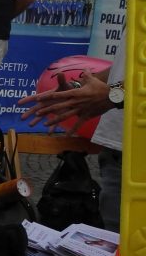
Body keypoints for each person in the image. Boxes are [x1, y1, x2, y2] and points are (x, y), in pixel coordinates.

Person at [17, 49, 126, 232]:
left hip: (136, 151)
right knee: (114, 238)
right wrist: (78, 88)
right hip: (117, 147)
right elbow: (127, 66)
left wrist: (114, 94)